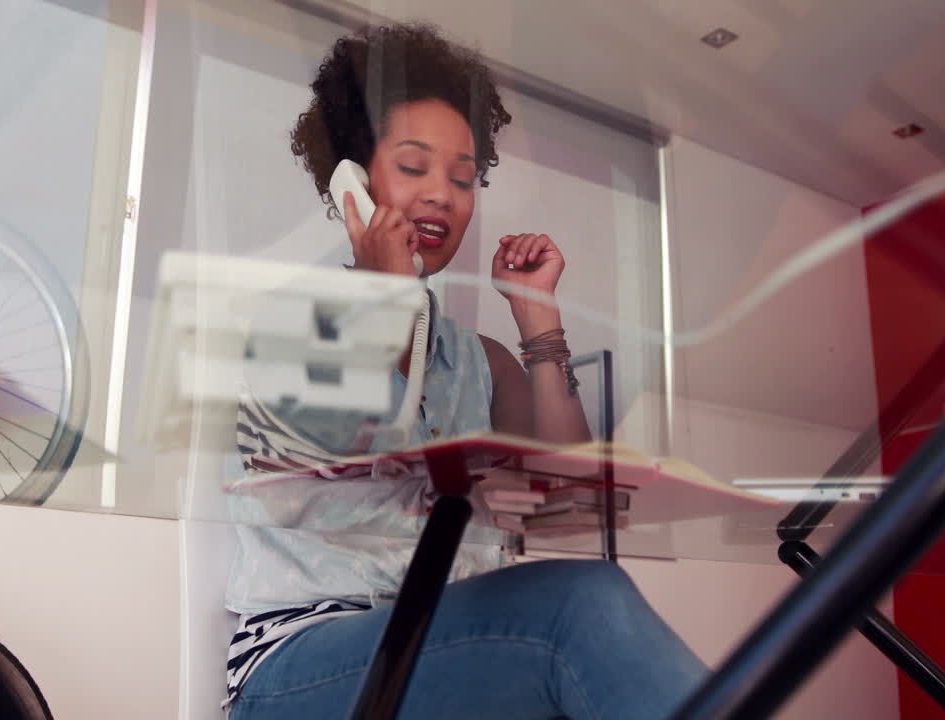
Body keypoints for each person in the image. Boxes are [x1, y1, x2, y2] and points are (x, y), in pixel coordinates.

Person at [224, 23, 706, 720]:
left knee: (587, 597)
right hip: (302, 664)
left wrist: (540, 325)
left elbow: (568, 504)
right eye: (414, 167)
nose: (445, 197)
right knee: (580, 609)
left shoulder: (480, 362)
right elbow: (309, 479)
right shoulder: (293, 322)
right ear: (352, 181)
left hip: (448, 643)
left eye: (463, 177)